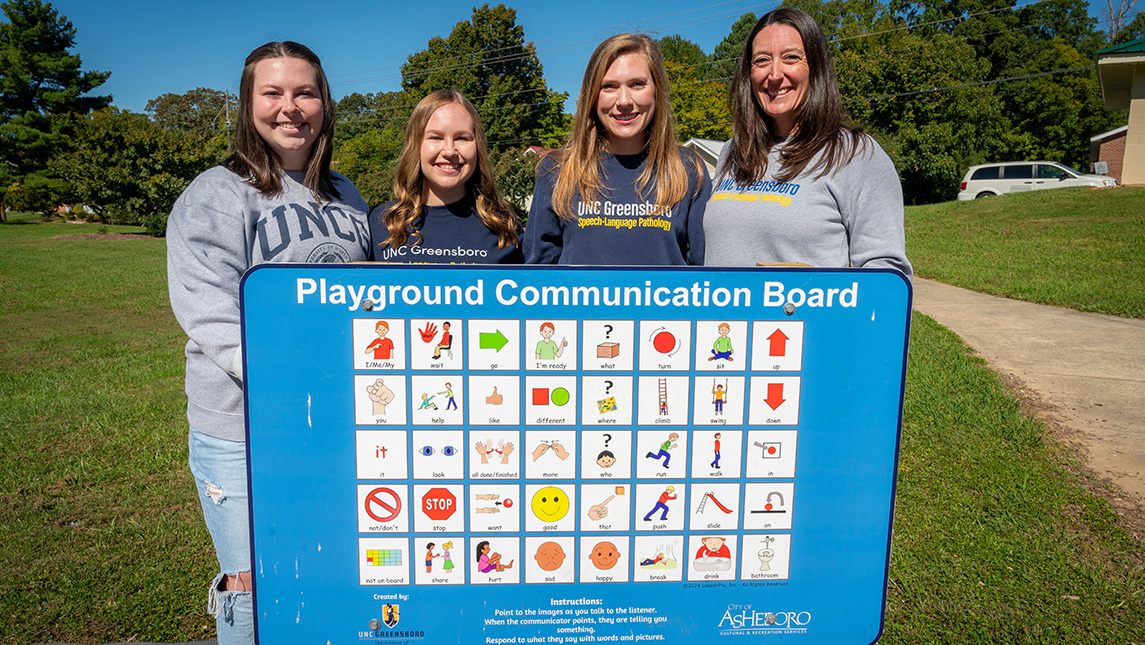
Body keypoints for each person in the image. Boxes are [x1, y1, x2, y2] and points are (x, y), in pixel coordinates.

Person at [166, 41, 370, 645]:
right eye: (272, 93)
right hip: (241, 427)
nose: (290, 108)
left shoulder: (349, 195)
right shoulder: (216, 193)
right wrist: (288, 379)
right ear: (248, 103)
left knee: (326, 567)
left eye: (305, 92)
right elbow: (210, 314)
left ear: (324, 104)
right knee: (253, 579)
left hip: (336, 422)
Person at [703, 8, 912, 278]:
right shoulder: (733, 151)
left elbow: (885, 275)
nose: (775, 74)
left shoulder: (856, 154)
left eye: (791, 58)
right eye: (762, 60)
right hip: (725, 321)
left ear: (816, 67)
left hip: (806, 321)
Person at [523, 33, 710, 265]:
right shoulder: (557, 171)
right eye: (609, 87)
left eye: (637, 84)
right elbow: (537, 278)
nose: (623, 101)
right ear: (592, 96)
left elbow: (704, 277)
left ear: (656, 90)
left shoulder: (689, 170)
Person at [370, 89, 522, 264]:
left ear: (477, 146)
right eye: (435, 137)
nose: (450, 151)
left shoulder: (503, 224)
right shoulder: (383, 222)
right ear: (416, 145)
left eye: (462, 138)